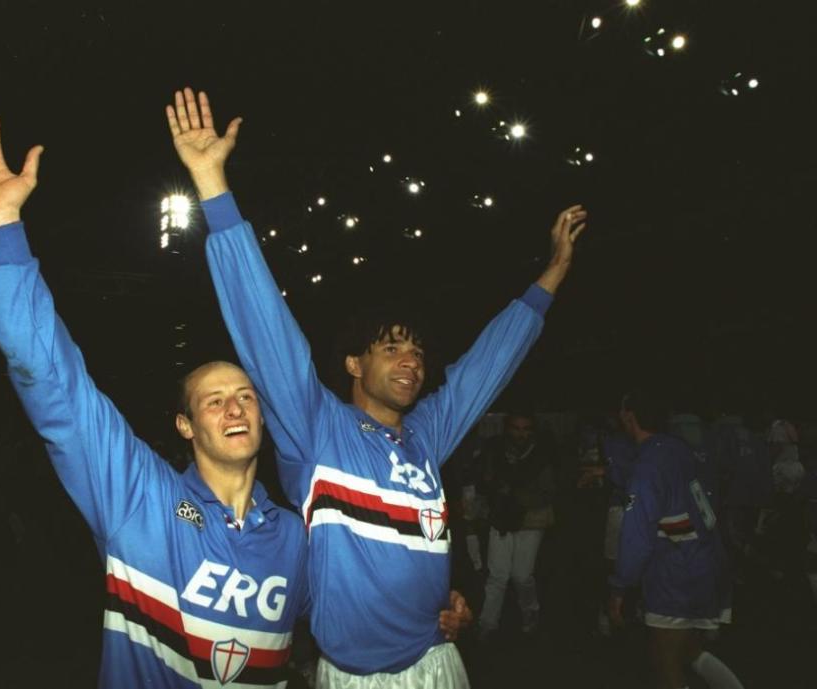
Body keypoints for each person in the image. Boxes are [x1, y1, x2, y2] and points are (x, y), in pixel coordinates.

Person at [166, 87, 586, 687]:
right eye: (391, 348)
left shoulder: (425, 437)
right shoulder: (317, 429)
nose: (411, 360)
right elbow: (266, 330)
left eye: (416, 350)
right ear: (355, 364)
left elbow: (488, 363)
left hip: (437, 662)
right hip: (357, 677)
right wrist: (213, 187)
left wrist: (554, 270)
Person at [0, 105, 309, 688]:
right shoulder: (139, 499)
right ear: (185, 425)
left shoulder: (293, 537)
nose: (235, 407)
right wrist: (1, 233)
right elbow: (58, 387)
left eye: (244, 395)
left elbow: (346, 612)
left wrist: (438, 610)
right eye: (213, 400)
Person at [608, 390, 744, 689]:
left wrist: (619, 588)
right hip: (706, 559)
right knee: (689, 650)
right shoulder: (674, 447)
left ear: (627, 415)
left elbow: (637, 538)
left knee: (664, 659)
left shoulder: (648, 466)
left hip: (678, 573)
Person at [476, 412, 555, 638]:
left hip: (531, 520)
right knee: (497, 575)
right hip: (500, 519)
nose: (520, 434)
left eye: (525, 429)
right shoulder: (495, 450)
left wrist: (517, 496)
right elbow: (484, 481)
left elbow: (549, 491)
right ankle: (487, 624)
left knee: (521, 575)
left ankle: (530, 611)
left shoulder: (541, 454)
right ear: (507, 428)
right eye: (516, 428)